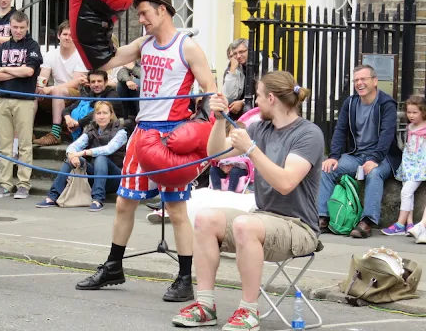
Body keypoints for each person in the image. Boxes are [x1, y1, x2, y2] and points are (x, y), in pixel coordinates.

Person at [75, 0, 217, 302]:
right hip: (143, 132)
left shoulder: (187, 48)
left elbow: (210, 88)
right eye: (138, 14)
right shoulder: (144, 44)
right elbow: (110, 59)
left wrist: (202, 131)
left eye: (145, 13)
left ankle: (184, 278)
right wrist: (96, 27)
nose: (141, 20)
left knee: (177, 209)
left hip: (172, 136)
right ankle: (113, 266)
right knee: (125, 202)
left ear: (163, 10)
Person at [171, 71, 323, 330]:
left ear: (272, 98)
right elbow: (215, 154)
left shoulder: (308, 134)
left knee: (245, 224)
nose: (256, 103)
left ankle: (249, 311)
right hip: (263, 218)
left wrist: (252, 150)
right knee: (206, 218)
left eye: (259, 97)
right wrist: (219, 120)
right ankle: (205, 305)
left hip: (299, 226)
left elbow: (286, 183)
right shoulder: (259, 128)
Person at [318, 64, 401, 238]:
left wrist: (375, 159)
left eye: (363, 79)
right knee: (326, 170)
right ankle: (323, 217)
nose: (359, 83)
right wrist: (333, 156)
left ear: (375, 81)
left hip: (383, 157)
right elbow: (340, 130)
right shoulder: (351, 103)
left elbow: (387, 135)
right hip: (357, 155)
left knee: (374, 173)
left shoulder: (386, 104)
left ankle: (367, 222)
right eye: (356, 80)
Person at [0, 11, 43, 199]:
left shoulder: (32, 45)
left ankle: (23, 184)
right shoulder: (3, 47)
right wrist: (11, 71)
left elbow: (29, 71)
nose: (18, 31)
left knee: (25, 143)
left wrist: (4, 69)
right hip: (1, 98)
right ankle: (4, 183)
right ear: (10, 26)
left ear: (27, 27)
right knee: (4, 144)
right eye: (15, 27)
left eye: (21, 27)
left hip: (23, 99)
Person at [37, 101, 127, 211]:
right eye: (98, 113)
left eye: (105, 113)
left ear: (111, 115)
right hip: (95, 175)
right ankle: (52, 196)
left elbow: (108, 149)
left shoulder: (121, 132)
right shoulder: (91, 129)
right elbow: (73, 146)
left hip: (115, 178)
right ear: (94, 115)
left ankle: (98, 199)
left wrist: (83, 153)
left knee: (101, 157)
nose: (102, 116)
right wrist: (73, 155)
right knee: (72, 159)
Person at [34, 20, 88, 146]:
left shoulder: (80, 55)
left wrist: (51, 88)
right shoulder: (51, 54)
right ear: (59, 36)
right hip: (56, 94)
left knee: (58, 91)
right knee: (34, 92)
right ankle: (27, 130)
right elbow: (43, 77)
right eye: (65, 34)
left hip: (75, 95)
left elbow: (76, 83)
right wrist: (40, 87)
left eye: (71, 35)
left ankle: (55, 134)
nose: (67, 38)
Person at [382, 95, 426, 236]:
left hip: (420, 166)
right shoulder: (409, 127)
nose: (411, 115)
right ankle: (410, 223)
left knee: (406, 192)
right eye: (409, 112)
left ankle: (400, 224)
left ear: (423, 112)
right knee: (408, 193)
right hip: (409, 164)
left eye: (415, 112)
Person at [62, 69, 124, 140]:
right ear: (89, 84)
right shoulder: (90, 95)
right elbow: (68, 109)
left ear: (106, 82)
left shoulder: (112, 95)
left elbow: (97, 113)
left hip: (110, 132)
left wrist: (78, 123)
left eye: (99, 81)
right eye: (93, 82)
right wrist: (68, 118)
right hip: (91, 130)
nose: (96, 84)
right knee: (77, 110)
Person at [223, 38, 249, 120]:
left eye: (241, 52)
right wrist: (232, 70)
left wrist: (243, 102)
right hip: (238, 105)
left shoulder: (263, 65)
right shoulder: (234, 68)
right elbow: (229, 96)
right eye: (235, 54)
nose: (237, 56)